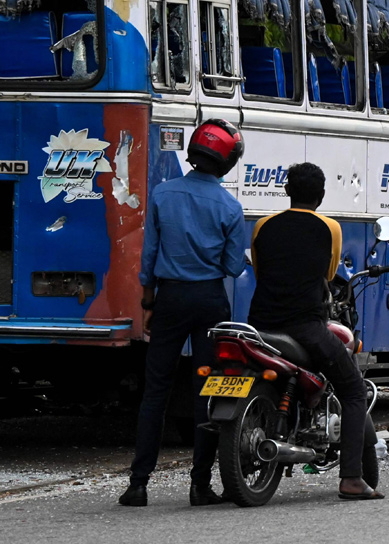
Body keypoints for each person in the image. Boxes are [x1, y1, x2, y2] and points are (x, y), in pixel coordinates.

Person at [119, 119, 249, 508]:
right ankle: (200, 485)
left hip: (169, 300)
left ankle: (138, 485)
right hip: (210, 302)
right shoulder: (230, 206)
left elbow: (149, 257)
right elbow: (231, 267)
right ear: (226, 162)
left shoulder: (162, 194)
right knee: (207, 393)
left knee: (155, 391)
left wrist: (148, 304)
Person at [248, 162, 384, 501]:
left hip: (260, 324)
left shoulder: (263, 226)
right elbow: (328, 274)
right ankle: (351, 479)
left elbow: (261, 271)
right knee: (353, 392)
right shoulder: (330, 229)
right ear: (321, 195)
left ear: (287, 190)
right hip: (305, 326)